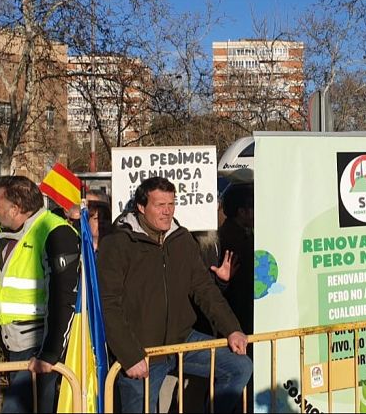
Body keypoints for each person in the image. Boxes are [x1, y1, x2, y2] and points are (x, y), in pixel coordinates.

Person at [98, 177, 252, 413]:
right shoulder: (118, 244)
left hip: (182, 340)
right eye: (160, 205)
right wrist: (129, 355)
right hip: (142, 351)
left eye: (171, 204)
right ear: (141, 207)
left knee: (239, 366)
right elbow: (108, 304)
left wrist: (231, 328)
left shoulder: (181, 239)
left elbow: (204, 289)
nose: (167, 211)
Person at [0, 176, 80, 413]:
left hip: (40, 347)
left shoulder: (56, 232)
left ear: (15, 208)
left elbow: (64, 298)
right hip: (12, 343)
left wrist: (50, 353)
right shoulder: (0, 234)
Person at [219, 183, 254, 335]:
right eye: (253, 207)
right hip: (240, 309)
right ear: (242, 211)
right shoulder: (237, 239)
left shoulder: (230, 232)